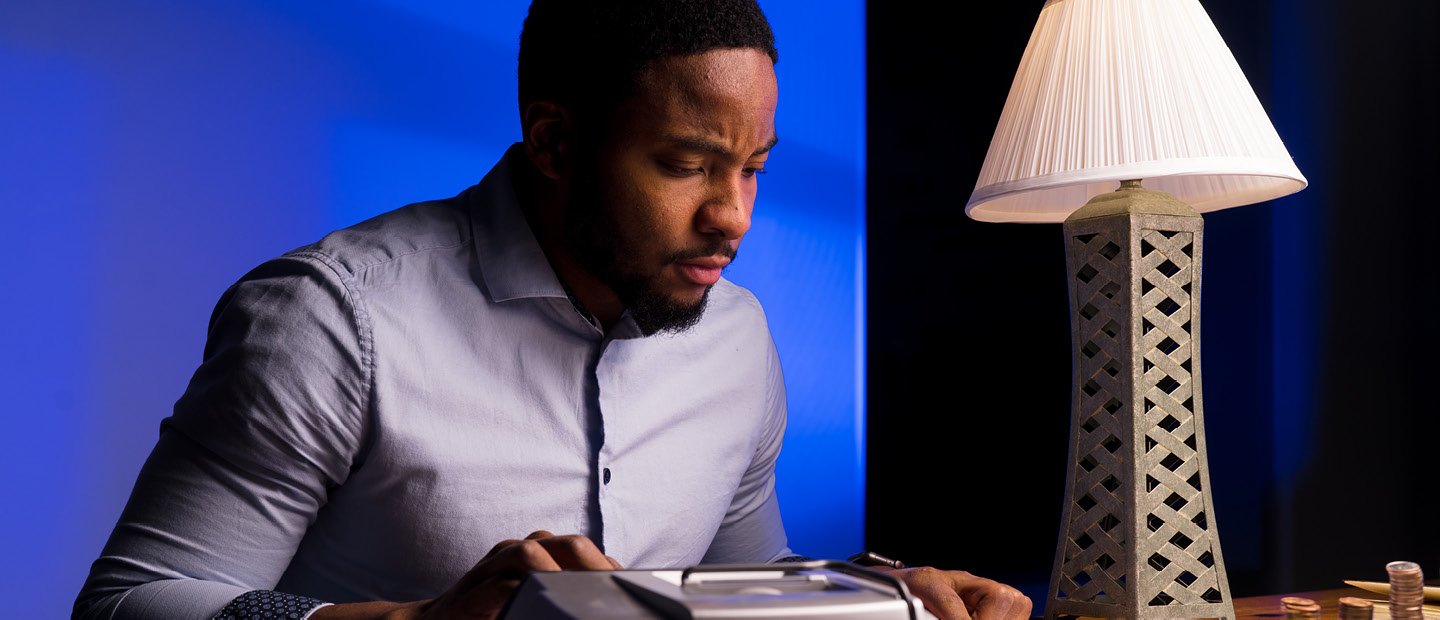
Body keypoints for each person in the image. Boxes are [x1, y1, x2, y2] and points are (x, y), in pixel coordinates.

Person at [74, 1, 1033, 619]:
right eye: (685, 164)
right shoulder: (332, 320)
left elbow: (747, 583)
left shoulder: (735, 335)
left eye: (754, 168)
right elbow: (128, 603)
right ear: (554, 142)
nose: (731, 217)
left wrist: (884, 595)